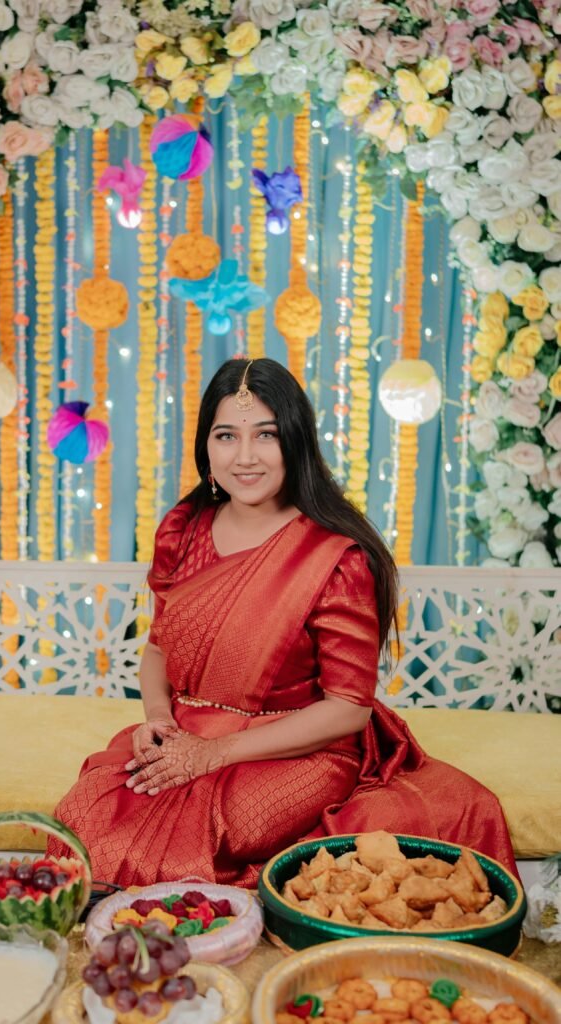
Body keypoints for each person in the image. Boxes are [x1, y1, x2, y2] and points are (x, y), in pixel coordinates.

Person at [51, 357, 517, 887]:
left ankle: (215, 930)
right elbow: (158, 648)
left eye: (266, 435)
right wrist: (158, 720)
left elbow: (347, 709)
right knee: (85, 813)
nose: (245, 456)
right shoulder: (184, 529)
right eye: (227, 436)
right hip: (186, 732)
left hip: (298, 748)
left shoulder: (334, 556)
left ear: (295, 442)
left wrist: (213, 755)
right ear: (206, 447)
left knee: (218, 831)